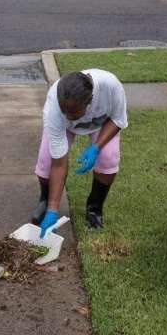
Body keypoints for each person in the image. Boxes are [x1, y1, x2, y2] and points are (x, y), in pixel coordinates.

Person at [29, 70, 128, 237]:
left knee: (108, 158)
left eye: (73, 112)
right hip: (64, 129)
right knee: (46, 162)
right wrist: (53, 208)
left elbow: (118, 119)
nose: (68, 116)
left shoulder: (111, 86)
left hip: (101, 124)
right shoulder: (53, 109)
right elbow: (58, 163)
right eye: (64, 111)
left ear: (90, 100)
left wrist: (96, 147)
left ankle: (94, 208)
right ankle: (45, 202)